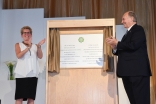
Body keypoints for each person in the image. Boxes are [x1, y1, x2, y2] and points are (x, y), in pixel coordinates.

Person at [106, 11, 152, 104]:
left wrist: (118, 43)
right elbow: (124, 49)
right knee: (133, 101)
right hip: (128, 73)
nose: (122, 21)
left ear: (131, 18)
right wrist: (115, 47)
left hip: (137, 73)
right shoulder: (127, 34)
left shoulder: (138, 29)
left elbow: (133, 45)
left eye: (123, 19)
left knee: (141, 100)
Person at [14, 26, 46, 104]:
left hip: (33, 74)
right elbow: (18, 55)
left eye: (28, 33)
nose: (26, 34)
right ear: (21, 35)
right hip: (21, 74)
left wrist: (38, 46)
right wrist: (28, 47)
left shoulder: (35, 46)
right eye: (24, 33)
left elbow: (40, 56)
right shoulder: (18, 44)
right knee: (19, 98)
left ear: (31, 34)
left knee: (31, 98)